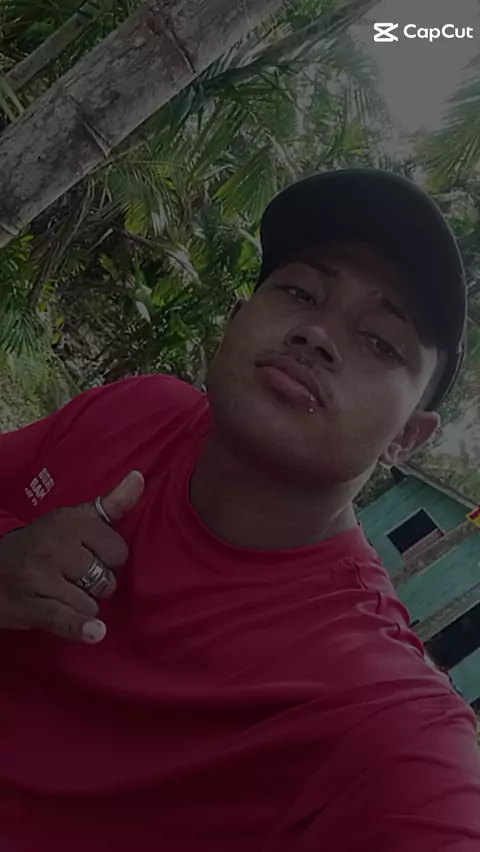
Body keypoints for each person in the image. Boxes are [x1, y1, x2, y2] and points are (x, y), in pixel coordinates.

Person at [0, 168, 479, 852]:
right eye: (299, 291)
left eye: (380, 341)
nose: (316, 333)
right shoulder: (138, 412)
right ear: (235, 318)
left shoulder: (372, 708)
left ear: (408, 438)